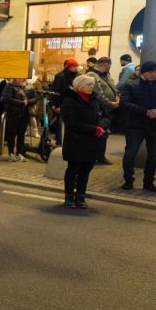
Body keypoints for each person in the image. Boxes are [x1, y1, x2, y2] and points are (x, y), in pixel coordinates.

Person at [120, 60, 156, 192]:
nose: (154, 74)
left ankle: (149, 182)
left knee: (154, 155)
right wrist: (144, 111)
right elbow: (125, 104)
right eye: (150, 71)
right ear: (143, 72)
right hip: (135, 125)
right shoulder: (131, 85)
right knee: (130, 153)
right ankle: (128, 180)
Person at [60, 74, 108, 208]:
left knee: (86, 170)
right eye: (88, 84)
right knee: (73, 169)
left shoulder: (95, 99)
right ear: (79, 85)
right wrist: (94, 130)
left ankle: (81, 196)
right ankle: (69, 196)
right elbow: (71, 123)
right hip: (76, 141)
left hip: (92, 142)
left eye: (92, 84)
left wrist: (102, 126)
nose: (91, 87)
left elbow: (106, 116)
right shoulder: (70, 101)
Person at [87, 57, 119, 164]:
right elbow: (98, 94)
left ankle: (100, 156)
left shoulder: (107, 75)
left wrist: (118, 99)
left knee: (105, 134)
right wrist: (110, 103)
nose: (110, 67)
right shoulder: (93, 75)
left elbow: (115, 89)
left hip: (109, 109)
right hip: (100, 109)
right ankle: (94, 156)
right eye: (110, 65)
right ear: (106, 64)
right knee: (98, 133)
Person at [49, 59, 80, 146]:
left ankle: (68, 141)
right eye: (75, 66)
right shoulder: (60, 76)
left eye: (77, 66)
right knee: (59, 124)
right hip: (61, 104)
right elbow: (55, 91)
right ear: (69, 67)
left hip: (72, 104)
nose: (76, 68)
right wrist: (55, 105)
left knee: (70, 124)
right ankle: (60, 142)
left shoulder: (77, 76)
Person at [1, 78, 31, 162]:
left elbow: (33, 98)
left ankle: (20, 152)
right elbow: (6, 99)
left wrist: (28, 102)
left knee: (21, 134)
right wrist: (21, 103)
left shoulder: (25, 88)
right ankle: (11, 153)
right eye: (21, 78)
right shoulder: (9, 86)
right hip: (13, 114)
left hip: (24, 114)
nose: (23, 79)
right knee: (12, 134)